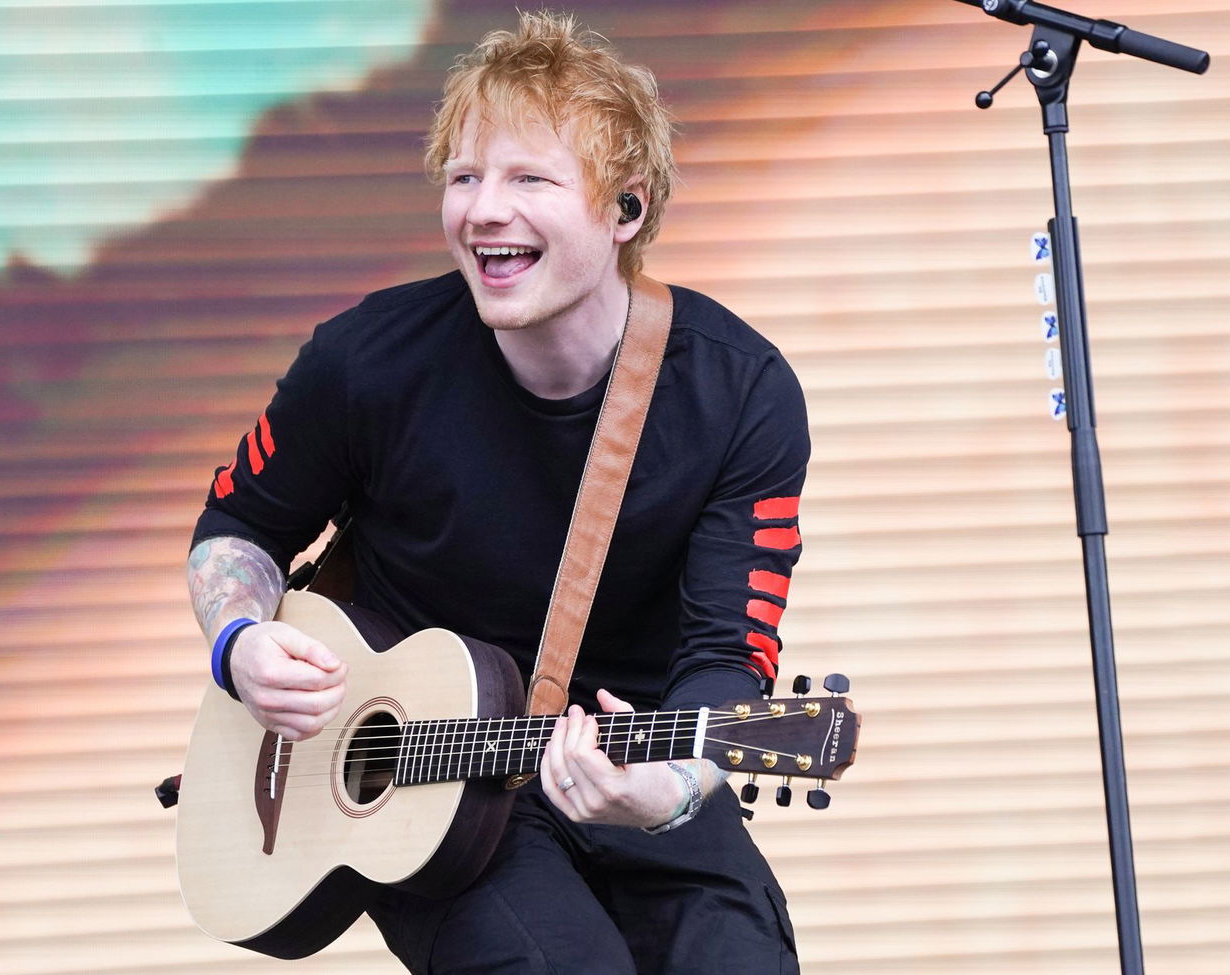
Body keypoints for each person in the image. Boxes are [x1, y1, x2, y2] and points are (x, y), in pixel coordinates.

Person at [186, 11, 808, 974]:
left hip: (627, 760)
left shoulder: (737, 394)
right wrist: (242, 639)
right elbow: (238, 527)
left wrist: (676, 786)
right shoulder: (365, 364)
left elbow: (730, 650)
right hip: (427, 800)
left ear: (626, 209)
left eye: (529, 178)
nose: (482, 209)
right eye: (465, 176)